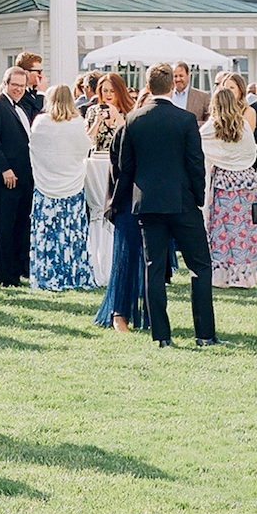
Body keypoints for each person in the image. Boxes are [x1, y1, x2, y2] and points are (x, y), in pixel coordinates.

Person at [108, 63, 216, 348]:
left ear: (148, 85)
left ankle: (162, 336)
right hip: (181, 201)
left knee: (153, 268)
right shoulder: (185, 119)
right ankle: (204, 334)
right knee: (200, 266)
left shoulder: (133, 119)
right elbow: (196, 164)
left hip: (147, 202)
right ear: (171, 86)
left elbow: (124, 166)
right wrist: (198, 196)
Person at [28, 83, 95, 290]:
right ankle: (72, 273)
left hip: (45, 185)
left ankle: (46, 273)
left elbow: (34, 148)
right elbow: (85, 149)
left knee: (46, 233)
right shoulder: (76, 123)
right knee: (71, 234)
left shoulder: (40, 122)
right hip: (72, 185)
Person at [94, 79, 145, 333]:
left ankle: (143, 313)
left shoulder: (129, 123)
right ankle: (118, 312)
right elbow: (120, 171)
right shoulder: (121, 129)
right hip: (125, 202)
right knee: (124, 258)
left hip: (146, 203)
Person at [202, 85, 257, 286]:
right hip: (246, 180)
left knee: (224, 229)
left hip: (224, 181)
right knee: (246, 229)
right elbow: (251, 150)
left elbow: (198, 143)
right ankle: (247, 275)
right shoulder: (244, 125)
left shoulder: (211, 126)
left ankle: (224, 275)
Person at [0, 68, 35, 287]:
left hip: (24, 177)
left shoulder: (22, 107)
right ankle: (5, 277)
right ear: (5, 83)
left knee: (20, 227)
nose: (18, 89)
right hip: (5, 178)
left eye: (22, 86)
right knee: (4, 228)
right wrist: (5, 169)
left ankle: (17, 271)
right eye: (14, 85)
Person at [87, 71, 133, 153]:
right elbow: (87, 141)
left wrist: (117, 116)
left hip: (120, 159)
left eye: (112, 91)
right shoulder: (93, 111)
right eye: (105, 90)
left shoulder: (129, 112)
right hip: (97, 159)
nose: (108, 94)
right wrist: (97, 122)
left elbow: (129, 137)